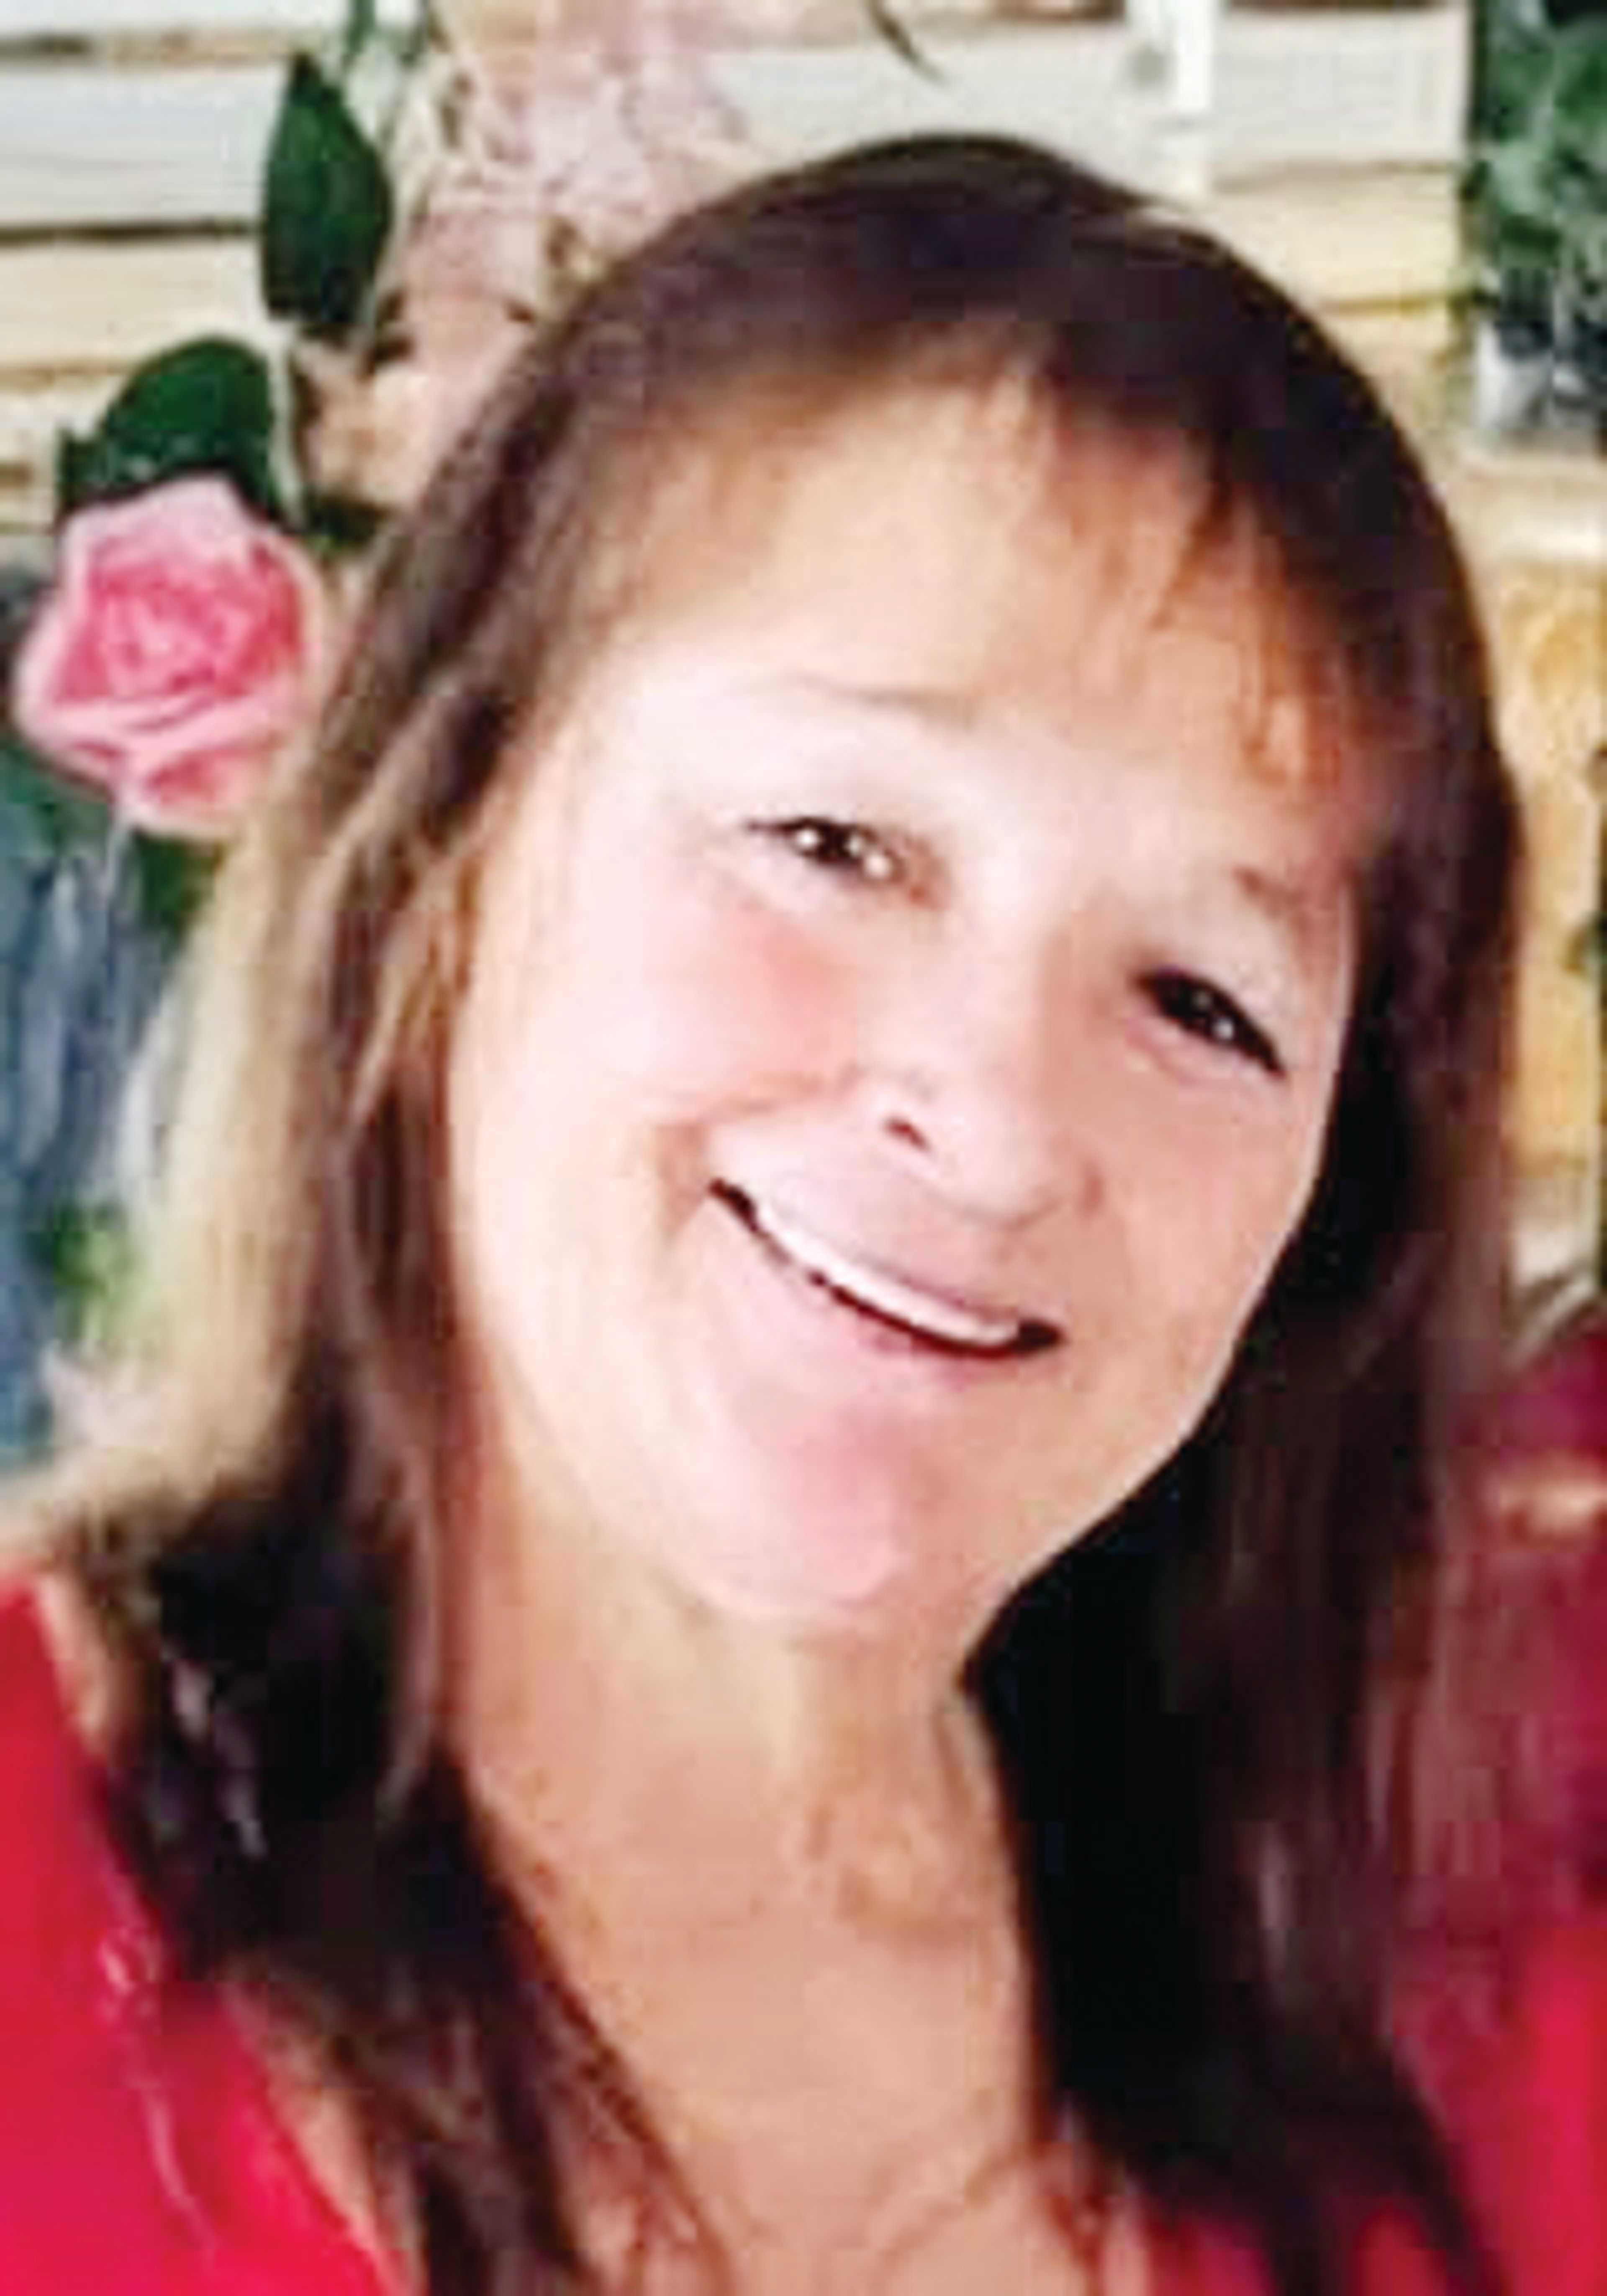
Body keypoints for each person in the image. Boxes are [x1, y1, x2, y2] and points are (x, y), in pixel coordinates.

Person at [1, 133, 1523, 2295]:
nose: (996, 1125)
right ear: (440, 862)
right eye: (836, 844)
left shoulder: (1439, 2080)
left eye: (1201, 999)